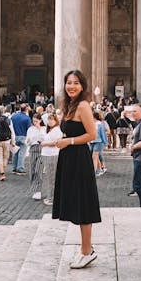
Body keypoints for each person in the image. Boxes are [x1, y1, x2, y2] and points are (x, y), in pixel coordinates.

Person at [52, 69, 101, 270]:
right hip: (69, 158)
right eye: (68, 82)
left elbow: (91, 135)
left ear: (82, 86)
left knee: (83, 205)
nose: (71, 86)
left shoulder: (82, 106)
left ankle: (86, 252)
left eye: (76, 83)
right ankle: (86, 248)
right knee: (77, 203)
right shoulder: (70, 105)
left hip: (79, 158)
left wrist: (69, 141)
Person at [41, 112, 62, 205]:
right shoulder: (50, 130)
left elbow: (56, 142)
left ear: (55, 121)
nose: (49, 121)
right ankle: (51, 196)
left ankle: (52, 198)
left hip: (52, 155)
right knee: (49, 176)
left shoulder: (57, 130)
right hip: (47, 154)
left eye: (51, 119)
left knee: (51, 177)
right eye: (49, 120)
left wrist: (45, 144)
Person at [26, 113, 46, 200]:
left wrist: (39, 129)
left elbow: (44, 138)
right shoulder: (30, 129)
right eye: (33, 121)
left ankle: (38, 191)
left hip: (42, 149)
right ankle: (34, 189)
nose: (35, 123)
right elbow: (28, 141)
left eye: (36, 121)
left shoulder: (44, 129)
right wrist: (28, 140)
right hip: (33, 149)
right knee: (32, 170)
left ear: (40, 120)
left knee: (38, 170)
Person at [11, 104, 32, 174]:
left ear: (20, 108)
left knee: (15, 152)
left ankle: (14, 167)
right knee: (22, 153)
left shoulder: (13, 116)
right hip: (23, 136)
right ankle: (20, 168)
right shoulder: (27, 118)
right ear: (26, 109)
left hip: (15, 136)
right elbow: (29, 129)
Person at [90, 110, 108, 176]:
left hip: (98, 142)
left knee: (94, 156)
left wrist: (106, 144)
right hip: (91, 142)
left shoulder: (100, 124)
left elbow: (103, 134)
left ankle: (93, 172)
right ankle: (98, 170)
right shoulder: (90, 123)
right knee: (94, 156)